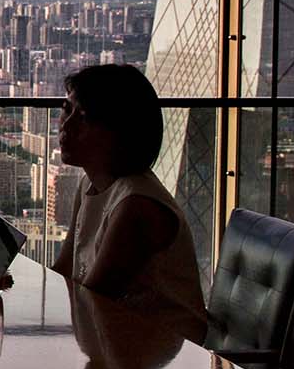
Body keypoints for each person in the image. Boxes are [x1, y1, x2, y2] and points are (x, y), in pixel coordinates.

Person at [52, 63, 205, 327]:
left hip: (161, 356)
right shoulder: (91, 184)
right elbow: (65, 271)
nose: (67, 125)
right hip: (118, 344)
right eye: (67, 110)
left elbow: (93, 296)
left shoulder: (135, 206)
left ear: (119, 133)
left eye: (85, 117)